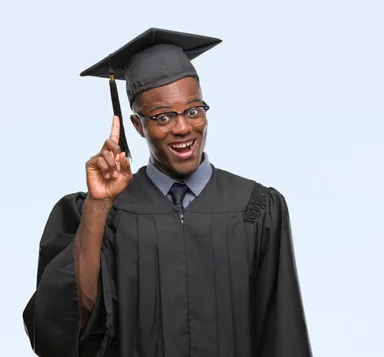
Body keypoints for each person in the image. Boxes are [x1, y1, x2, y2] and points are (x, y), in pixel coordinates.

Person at [22, 28, 312, 357]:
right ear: (136, 125)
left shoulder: (255, 208)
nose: (183, 128)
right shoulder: (110, 214)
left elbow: (282, 331)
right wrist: (98, 206)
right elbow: (65, 327)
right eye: (163, 117)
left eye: (193, 110)